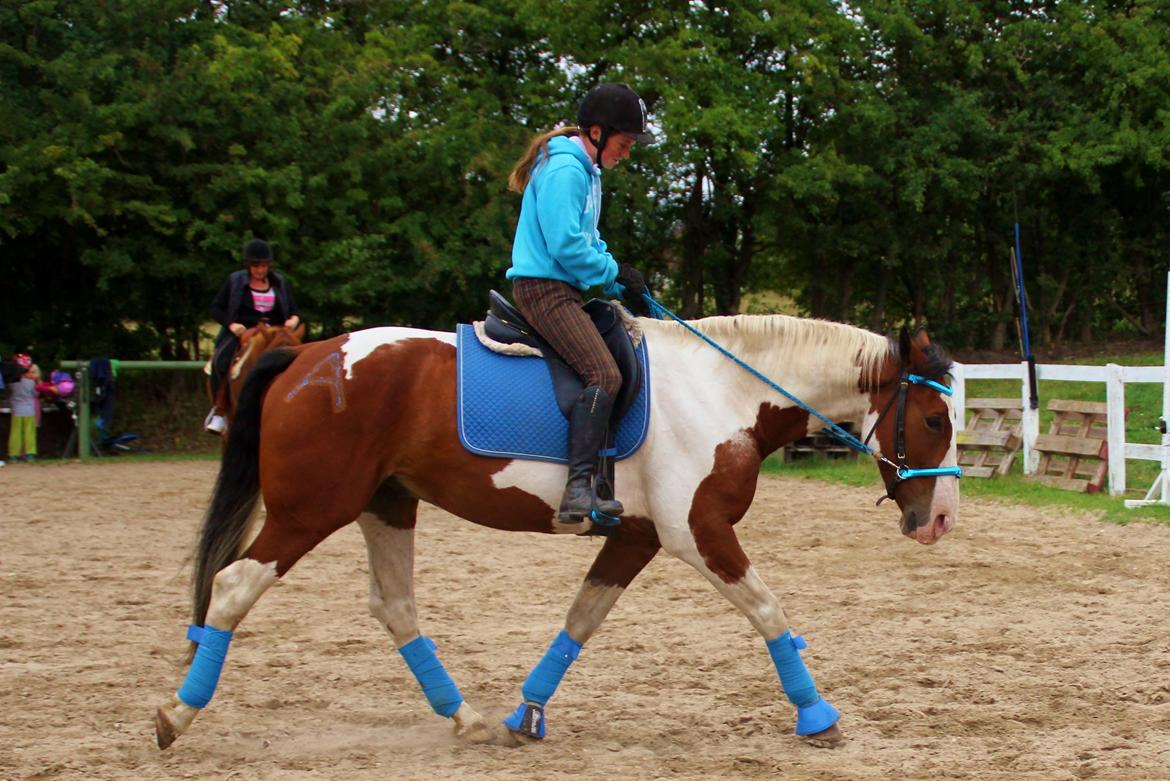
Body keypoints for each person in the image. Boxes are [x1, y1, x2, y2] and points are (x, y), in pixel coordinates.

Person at [505, 82, 655, 530]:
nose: (627, 153)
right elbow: (566, 245)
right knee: (604, 373)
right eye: (624, 143)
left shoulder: (587, 172)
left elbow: (588, 239)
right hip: (544, 291)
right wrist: (610, 274)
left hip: (566, 290)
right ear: (596, 132)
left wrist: (617, 271)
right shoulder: (567, 171)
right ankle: (578, 487)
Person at [205, 238, 300, 434]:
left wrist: (293, 321)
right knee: (220, 361)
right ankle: (220, 410)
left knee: (299, 361)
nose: (260, 270)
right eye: (256, 265)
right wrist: (232, 324)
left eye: (264, 265)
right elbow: (216, 308)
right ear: (248, 265)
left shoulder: (279, 283)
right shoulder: (235, 281)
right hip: (243, 331)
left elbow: (294, 310)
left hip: (275, 332)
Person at [7, 354, 39, 463]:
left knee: (15, 432)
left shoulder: (12, 383)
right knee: (30, 432)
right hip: (29, 410)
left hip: (16, 410)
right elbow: (36, 394)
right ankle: (30, 454)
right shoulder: (31, 382)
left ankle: (14, 455)